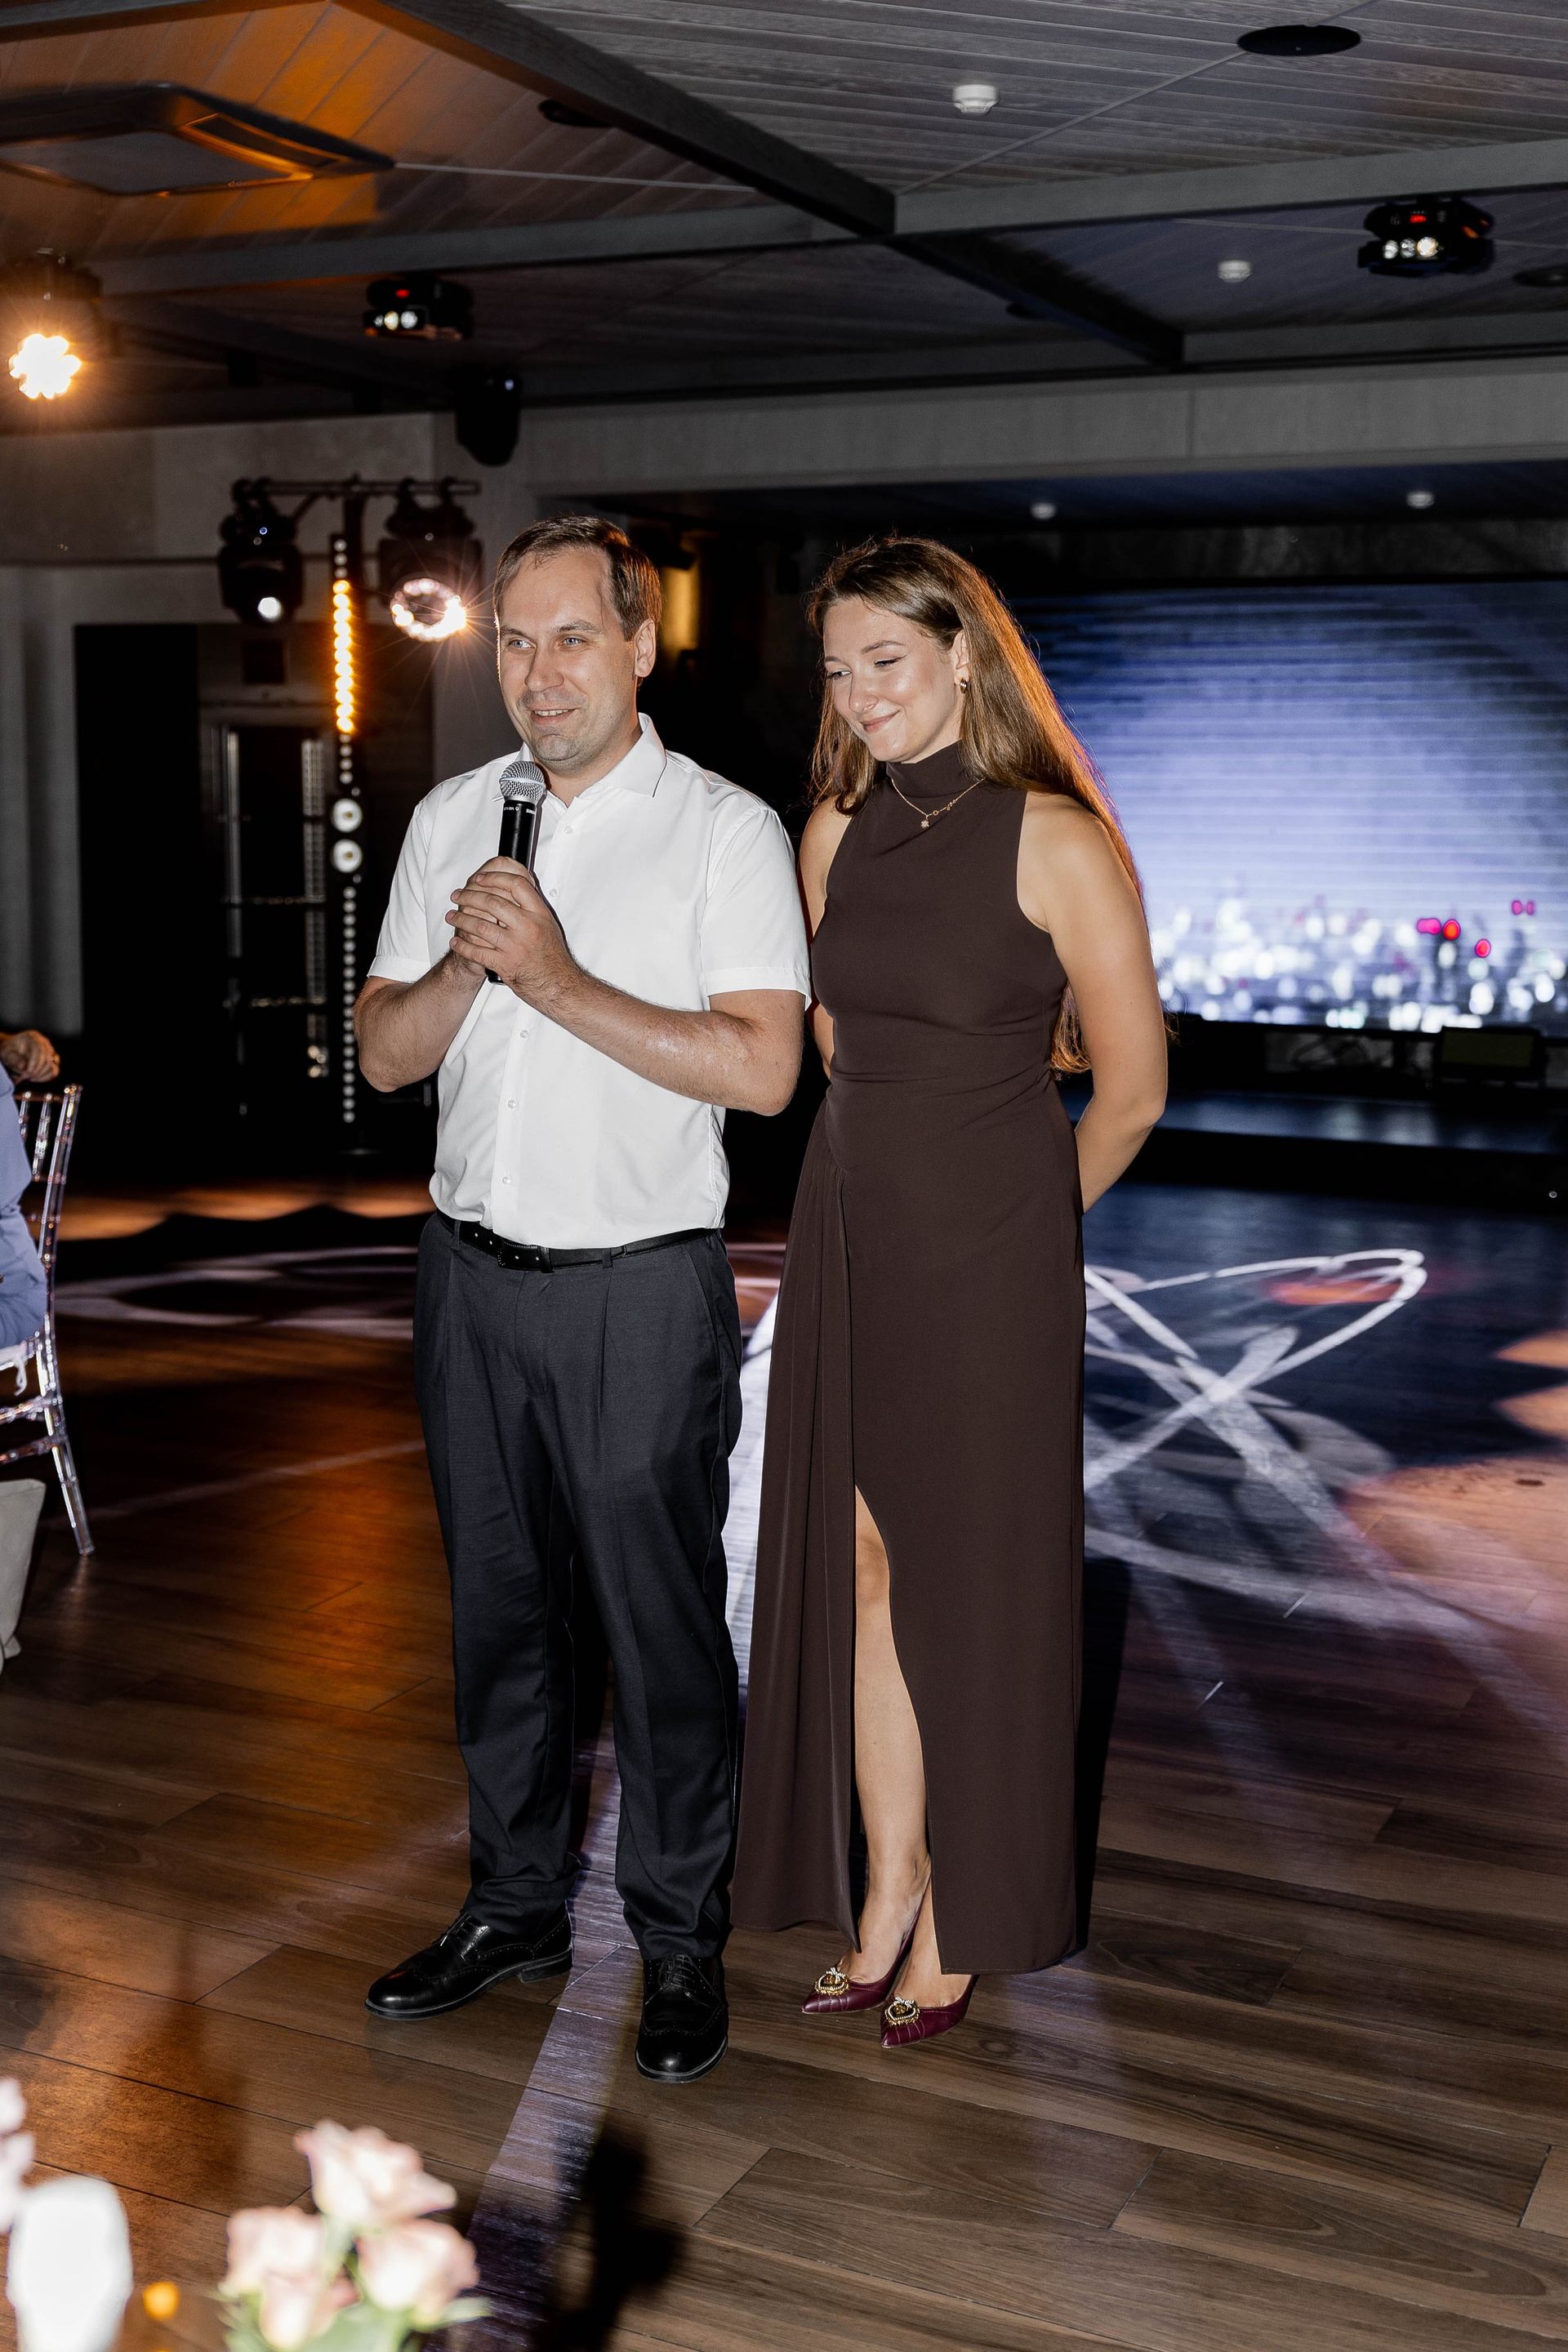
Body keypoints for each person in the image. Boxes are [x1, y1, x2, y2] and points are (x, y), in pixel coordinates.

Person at [355, 515, 809, 2086]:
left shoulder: (724, 830)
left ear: (638, 646)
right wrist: (467, 971)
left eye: (569, 639)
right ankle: (515, 1907)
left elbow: (764, 1068)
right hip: (468, 1279)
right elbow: (384, 1056)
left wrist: (552, 976)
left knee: (660, 1633)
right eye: (512, 642)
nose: (536, 674)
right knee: (501, 1626)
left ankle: (678, 1943)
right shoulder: (452, 818)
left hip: (637, 1291)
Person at [732, 537, 1167, 2047]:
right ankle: (891, 1885)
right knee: (859, 1573)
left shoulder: (1056, 839)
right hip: (851, 1238)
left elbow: (1132, 1091)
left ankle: (966, 1910)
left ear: (964, 655)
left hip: (991, 1270)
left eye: (888, 663)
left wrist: (1022, 1233)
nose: (860, 696)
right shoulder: (832, 830)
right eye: (839, 671)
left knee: (969, 1592)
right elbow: (839, 1049)